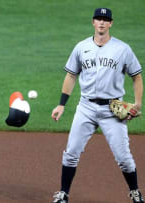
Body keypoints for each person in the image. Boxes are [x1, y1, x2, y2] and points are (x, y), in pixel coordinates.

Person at [50, 8, 144, 203]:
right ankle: (63, 193)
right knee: (71, 153)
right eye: (98, 19)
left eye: (105, 20)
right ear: (93, 22)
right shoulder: (81, 47)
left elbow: (136, 76)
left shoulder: (122, 49)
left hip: (113, 110)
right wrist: (61, 105)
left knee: (124, 158)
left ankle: (135, 192)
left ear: (111, 23)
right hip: (86, 108)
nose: (101, 23)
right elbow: (71, 75)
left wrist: (137, 103)